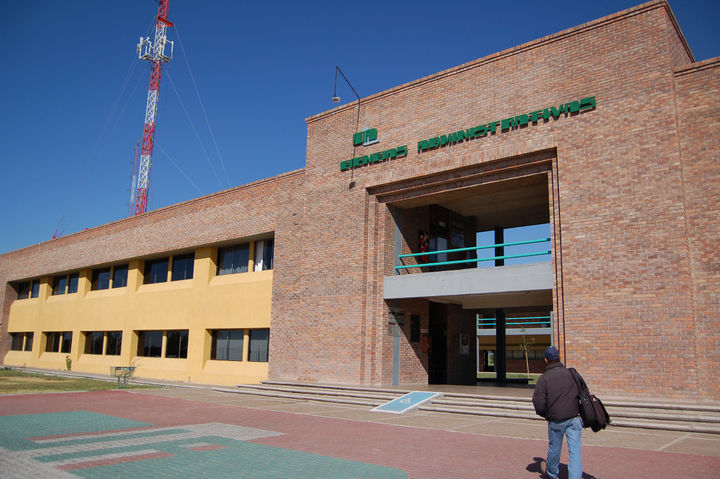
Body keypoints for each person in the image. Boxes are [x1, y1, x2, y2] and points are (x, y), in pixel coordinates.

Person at [532, 345, 583, 479]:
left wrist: (546, 413)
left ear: (546, 360)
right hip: (574, 418)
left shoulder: (544, 378)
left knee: (555, 448)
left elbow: (538, 402)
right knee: (575, 451)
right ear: (559, 358)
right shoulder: (571, 373)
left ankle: (552, 473)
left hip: (556, 419)